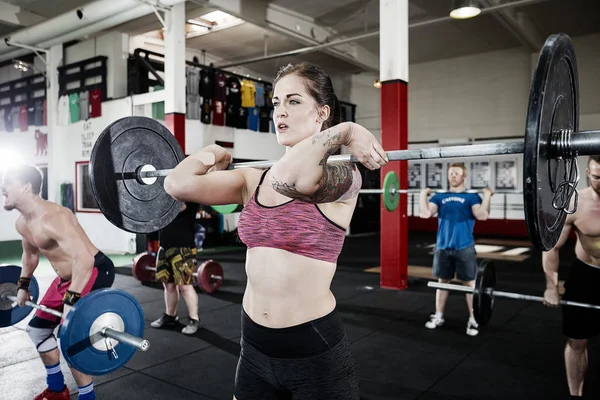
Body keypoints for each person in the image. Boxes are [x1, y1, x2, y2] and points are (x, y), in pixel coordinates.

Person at [164, 62, 388, 399]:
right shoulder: (252, 179)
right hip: (253, 346)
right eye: (276, 103)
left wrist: (347, 131)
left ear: (321, 113)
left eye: (294, 102)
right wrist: (212, 152)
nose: (280, 112)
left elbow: (294, 178)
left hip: (314, 353)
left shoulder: (344, 179)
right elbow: (177, 184)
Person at [1, 164, 115, 400]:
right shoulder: (23, 223)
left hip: (94, 268)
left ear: (25, 186)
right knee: (38, 330)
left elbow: (83, 259)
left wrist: (70, 302)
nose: (2, 187)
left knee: (70, 334)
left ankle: (87, 396)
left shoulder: (55, 218)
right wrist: (22, 285)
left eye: (7, 182)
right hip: (67, 277)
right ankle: (57, 389)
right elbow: (30, 255)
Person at [542, 155, 600, 400]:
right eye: (598, 176)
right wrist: (551, 286)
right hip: (586, 275)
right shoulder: (575, 202)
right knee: (577, 342)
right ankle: (575, 394)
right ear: (587, 171)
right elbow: (551, 247)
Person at [419, 162, 492, 336]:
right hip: (442, 247)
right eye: (451, 173)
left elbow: (482, 215)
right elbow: (425, 213)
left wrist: (487, 196)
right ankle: (438, 315)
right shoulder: (439, 197)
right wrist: (423, 195)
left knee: (470, 284)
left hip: (464, 246)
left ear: (464, 177)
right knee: (442, 282)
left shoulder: (472, 197)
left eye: (456, 173)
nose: (452, 176)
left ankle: (473, 320)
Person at [150, 201, 202, 335]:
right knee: (168, 285)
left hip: (183, 248)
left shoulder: (190, 194)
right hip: (164, 246)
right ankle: (170, 316)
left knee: (185, 286)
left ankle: (194, 319)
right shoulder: (166, 194)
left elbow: (176, 208)